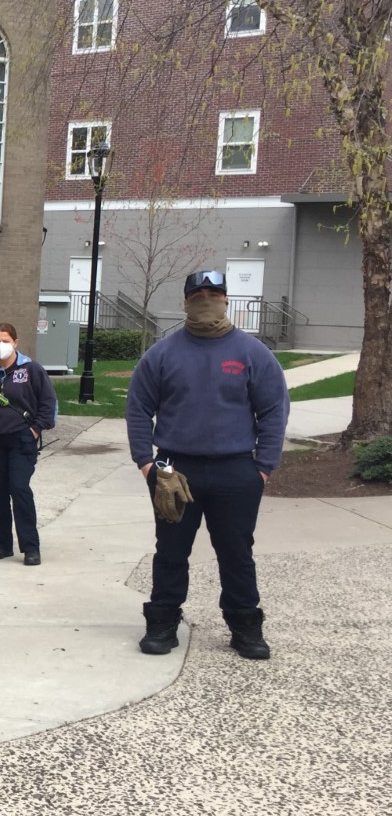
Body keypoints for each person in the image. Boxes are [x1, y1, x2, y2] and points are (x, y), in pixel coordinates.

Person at [126, 269, 289, 660]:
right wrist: (147, 463)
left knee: (236, 553)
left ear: (226, 299)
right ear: (185, 301)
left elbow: (273, 411)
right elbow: (137, 409)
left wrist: (262, 467)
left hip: (236, 471)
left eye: (213, 292)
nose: (206, 299)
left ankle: (245, 626)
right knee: (170, 552)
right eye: (198, 293)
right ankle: (163, 623)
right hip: (173, 470)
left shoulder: (252, 354)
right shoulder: (163, 353)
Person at [0, 323, 58, 566]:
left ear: (15, 342)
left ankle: (30, 547)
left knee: (19, 490)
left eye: (6, 340)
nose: (1, 345)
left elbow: (48, 402)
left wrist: (36, 429)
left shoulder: (31, 370)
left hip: (21, 440)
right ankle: (2, 544)